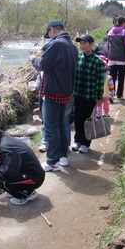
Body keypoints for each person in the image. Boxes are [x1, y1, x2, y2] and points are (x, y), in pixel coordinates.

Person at [0, 122, 45, 206]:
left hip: (35, 179)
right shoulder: (3, 138)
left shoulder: (4, 146)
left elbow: (9, 172)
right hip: (34, 174)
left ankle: (25, 194)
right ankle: (23, 189)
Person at [40, 21, 78, 171]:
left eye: (49, 33)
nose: (49, 37)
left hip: (53, 92)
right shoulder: (72, 47)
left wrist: (33, 59)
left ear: (53, 30)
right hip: (67, 92)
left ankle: (51, 161)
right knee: (62, 125)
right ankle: (63, 157)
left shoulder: (56, 45)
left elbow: (43, 65)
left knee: (51, 127)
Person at [72, 35, 105, 154]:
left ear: (91, 44)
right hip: (78, 94)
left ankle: (86, 143)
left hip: (90, 96)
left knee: (88, 120)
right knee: (77, 119)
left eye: (84, 43)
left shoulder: (98, 61)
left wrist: (99, 97)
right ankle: (77, 140)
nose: (81, 45)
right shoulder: (78, 58)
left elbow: (101, 81)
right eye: (80, 43)